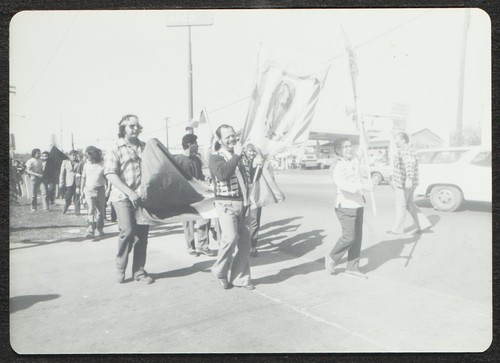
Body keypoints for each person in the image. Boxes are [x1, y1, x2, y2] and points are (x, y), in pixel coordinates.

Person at [104, 114, 154, 284]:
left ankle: (139, 271)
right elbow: (111, 174)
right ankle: (120, 267)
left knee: (142, 235)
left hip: (142, 198)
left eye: (137, 125)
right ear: (122, 129)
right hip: (122, 197)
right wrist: (130, 193)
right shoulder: (115, 147)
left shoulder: (145, 147)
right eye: (131, 126)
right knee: (127, 231)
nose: (135, 128)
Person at [209, 124, 254, 290]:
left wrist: (258, 165)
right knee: (231, 238)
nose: (231, 139)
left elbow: (251, 177)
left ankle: (240, 278)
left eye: (233, 136)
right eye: (227, 137)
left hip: (244, 202)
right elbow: (223, 174)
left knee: (245, 242)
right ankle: (220, 270)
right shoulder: (216, 157)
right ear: (220, 140)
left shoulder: (240, 155)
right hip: (226, 203)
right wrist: (236, 155)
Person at [326, 138, 372, 279]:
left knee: (357, 238)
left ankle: (352, 267)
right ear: (338, 150)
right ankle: (332, 257)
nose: (349, 149)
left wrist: (368, 183)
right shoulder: (337, 165)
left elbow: (358, 176)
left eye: (350, 146)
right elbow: (342, 184)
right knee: (349, 237)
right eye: (345, 147)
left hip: (358, 203)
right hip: (345, 204)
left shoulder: (353, 161)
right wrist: (362, 187)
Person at [175, 134, 216, 257]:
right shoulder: (178, 160)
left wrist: (206, 178)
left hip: (199, 194)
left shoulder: (196, 159)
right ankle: (190, 246)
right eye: (196, 144)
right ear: (190, 145)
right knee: (188, 221)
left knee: (205, 218)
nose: (197, 146)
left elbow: (199, 175)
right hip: (185, 195)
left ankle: (203, 245)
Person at [388, 132, 431, 235]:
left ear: (403, 140)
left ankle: (397, 229)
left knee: (401, 205)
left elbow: (409, 164)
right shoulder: (407, 149)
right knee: (409, 204)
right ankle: (423, 224)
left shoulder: (405, 150)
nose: (395, 141)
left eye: (397, 139)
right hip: (407, 182)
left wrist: (409, 179)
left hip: (404, 183)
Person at [81, 146, 106, 240]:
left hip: (101, 190)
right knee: (90, 210)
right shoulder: (86, 165)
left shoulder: (103, 164)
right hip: (88, 190)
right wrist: (81, 190)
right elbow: (83, 178)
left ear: (94, 155)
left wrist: (108, 189)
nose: (87, 158)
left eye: (89, 156)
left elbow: (108, 177)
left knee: (100, 212)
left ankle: (100, 229)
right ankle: (90, 231)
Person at [245, 144, 264, 257]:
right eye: (250, 151)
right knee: (246, 224)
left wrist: (259, 167)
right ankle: (245, 245)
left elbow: (255, 177)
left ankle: (253, 246)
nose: (252, 153)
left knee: (255, 222)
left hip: (255, 197)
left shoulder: (256, 163)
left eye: (254, 152)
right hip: (244, 198)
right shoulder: (242, 163)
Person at [59, 150, 82, 215]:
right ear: (69, 156)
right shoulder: (65, 162)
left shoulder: (79, 163)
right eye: (73, 155)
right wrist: (61, 182)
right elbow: (62, 173)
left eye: (76, 155)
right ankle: (65, 208)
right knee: (68, 197)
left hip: (77, 182)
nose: (74, 157)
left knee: (77, 196)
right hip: (69, 182)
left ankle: (77, 212)